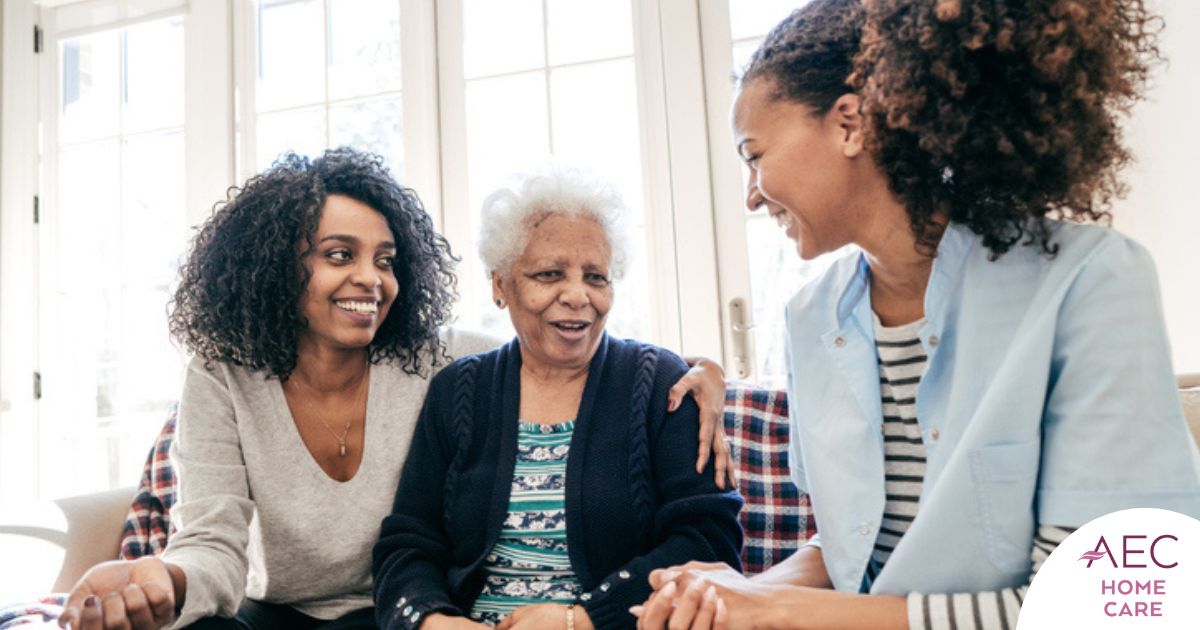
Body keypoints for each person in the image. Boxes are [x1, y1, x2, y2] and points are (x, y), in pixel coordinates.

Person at [635, 0, 1200, 628]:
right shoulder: (808, 317)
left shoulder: (1090, 282)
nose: (750, 195)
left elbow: (1109, 605)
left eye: (755, 154)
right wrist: (736, 593)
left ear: (849, 124)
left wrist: (782, 612)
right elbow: (857, 545)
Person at [56, 149, 729, 630]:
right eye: (338, 255)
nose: (371, 280)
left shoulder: (436, 362)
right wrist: (163, 579)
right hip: (281, 611)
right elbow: (214, 547)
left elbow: (563, 355)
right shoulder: (226, 376)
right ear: (274, 268)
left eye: (385, 260)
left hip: (381, 613)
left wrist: (704, 371)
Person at [371, 169, 744, 630]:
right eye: (549, 275)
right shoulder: (458, 390)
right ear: (499, 285)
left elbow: (708, 540)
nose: (577, 296)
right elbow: (409, 542)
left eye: (596, 277)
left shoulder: (662, 385)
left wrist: (583, 619)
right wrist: (431, 620)